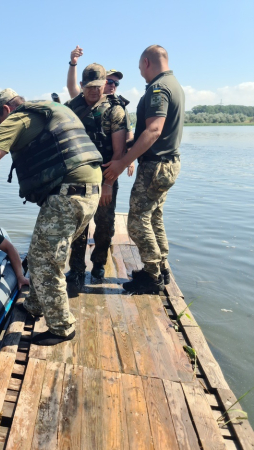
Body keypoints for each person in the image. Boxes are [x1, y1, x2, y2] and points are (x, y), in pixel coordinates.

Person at [0, 89, 102, 346]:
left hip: (67, 195)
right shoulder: (49, 111)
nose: (1, 126)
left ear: (5, 110)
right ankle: (36, 304)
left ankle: (62, 328)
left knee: (48, 263)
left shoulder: (18, 118)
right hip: (87, 191)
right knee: (39, 253)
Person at [103, 45, 184, 294]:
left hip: (155, 166)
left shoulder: (158, 89)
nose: (141, 74)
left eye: (140, 69)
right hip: (168, 164)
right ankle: (161, 269)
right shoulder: (175, 85)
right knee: (154, 218)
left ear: (147, 63)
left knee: (137, 222)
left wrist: (123, 161)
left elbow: (154, 130)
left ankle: (152, 277)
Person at [63, 63, 128, 286]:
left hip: (104, 176)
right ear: (82, 85)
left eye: (99, 85)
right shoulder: (71, 107)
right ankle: (77, 269)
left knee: (104, 224)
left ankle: (99, 264)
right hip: (77, 176)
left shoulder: (114, 110)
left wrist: (109, 184)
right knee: (78, 225)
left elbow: (119, 152)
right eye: (90, 86)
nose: (94, 90)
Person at [67, 46, 136, 172]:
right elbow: (72, 87)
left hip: (104, 167)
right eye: (110, 81)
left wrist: (129, 160)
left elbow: (125, 139)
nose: (113, 85)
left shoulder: (116, 108)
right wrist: (73, 63)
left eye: (116, 83)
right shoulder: (76, 103)